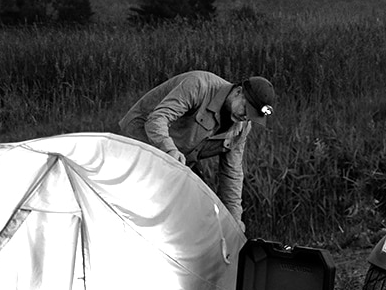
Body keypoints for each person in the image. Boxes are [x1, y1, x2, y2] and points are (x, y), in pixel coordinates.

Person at [118, 71, 275, 230]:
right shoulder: (199, 85)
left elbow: (232, 174)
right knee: (138, 209)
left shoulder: (241, 128)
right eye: (246, 109)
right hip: (141, 140)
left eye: (251, 116)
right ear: (238, 92)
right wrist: (170, 150)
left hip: (179, 160)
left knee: (195, 211)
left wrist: (234, 222)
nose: (245, 117)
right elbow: (157, 119)